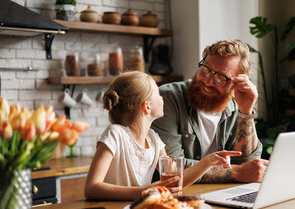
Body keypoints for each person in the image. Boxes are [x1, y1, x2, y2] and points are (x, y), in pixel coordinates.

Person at [84, 71, 242, 200]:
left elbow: (175, 181)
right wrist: (144, 192)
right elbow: (91, 188)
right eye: (158, 94)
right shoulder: (115, 134)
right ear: (147, 106)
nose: (163, 97)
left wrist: (208, 161)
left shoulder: (153, 139)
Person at [152, 40, 269, 183]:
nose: (208, 81)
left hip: (220, 193)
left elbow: (249, 163)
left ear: (236, 82)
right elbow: (171, 167)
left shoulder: (237, 104)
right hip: (174, 195)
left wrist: (246, 112)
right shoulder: (167, 99)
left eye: (221, 77)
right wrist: (236, 172)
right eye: (205, 69)